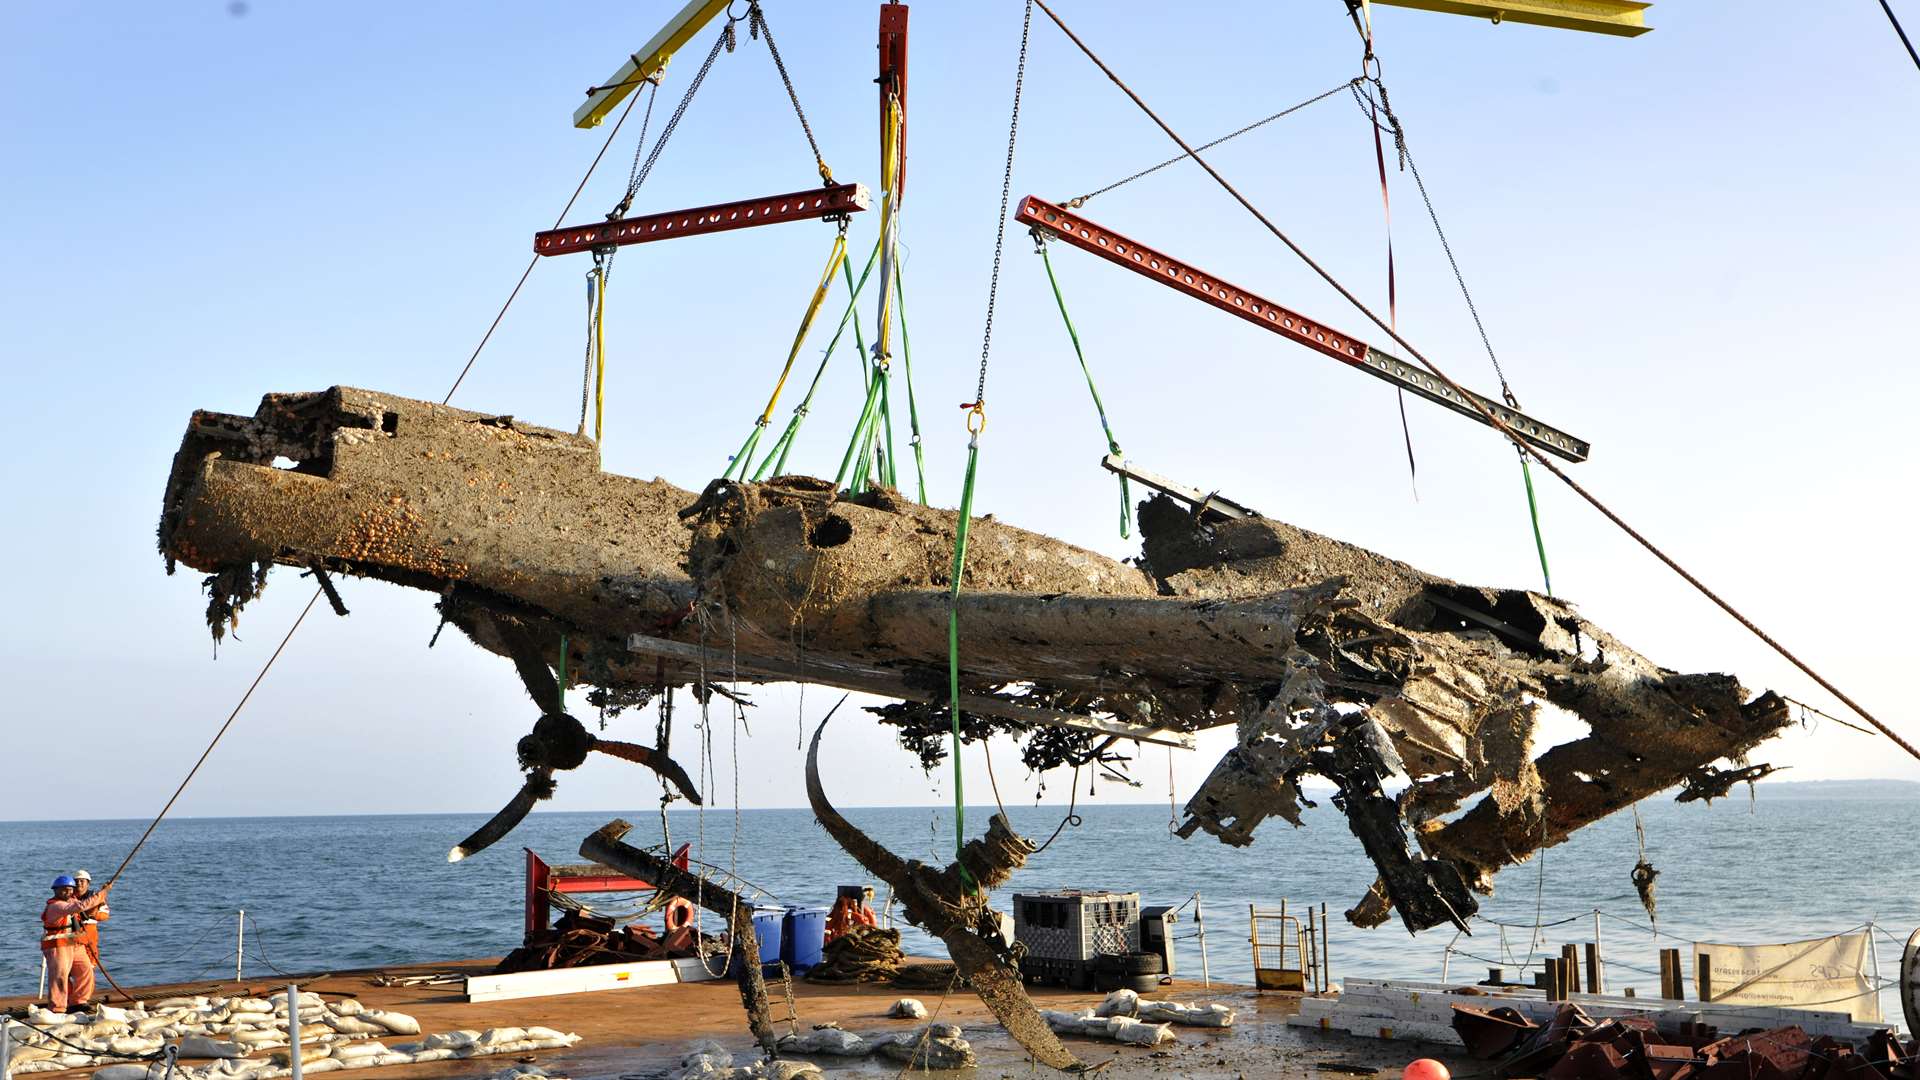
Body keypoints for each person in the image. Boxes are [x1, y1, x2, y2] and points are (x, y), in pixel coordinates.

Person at [42, 874, 112, 1012]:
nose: (67, 892)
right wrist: (104, 893)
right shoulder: (57, 906)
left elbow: (87, 908)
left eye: (69, 889)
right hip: (58, 945)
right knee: (60, 976)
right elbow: (82, 906)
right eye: (63, 889)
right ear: (55, 890)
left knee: (85, 970)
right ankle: (58, 1008)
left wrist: (101, 895)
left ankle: (79, 1001)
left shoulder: (71, 901)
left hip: (75, 943)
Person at [72, 870, 110, 972]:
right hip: (72, 935)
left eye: (82, 881)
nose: (79, 883)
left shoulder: (96, 897)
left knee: (89, 965)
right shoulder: (68, 897)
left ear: (88, 883)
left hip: (89, 933)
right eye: (76, 881)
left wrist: (93, 915)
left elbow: (105, 915)